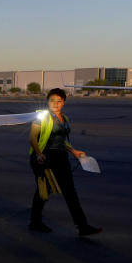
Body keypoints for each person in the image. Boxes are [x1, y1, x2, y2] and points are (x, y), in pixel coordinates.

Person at [29, 88, 101, 235]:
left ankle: (82, 226)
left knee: (70, 192)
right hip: (44, 158)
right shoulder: (41, 117)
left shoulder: (65, 118)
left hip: (61, 158)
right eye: (52, 100)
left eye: (59, 101)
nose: (55, 104)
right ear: (47, 102)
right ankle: (35, 222)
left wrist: (73, 151)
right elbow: (32, 138)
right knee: (44, 191)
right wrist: (38, 153)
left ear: (64, 103)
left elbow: (62, 141)